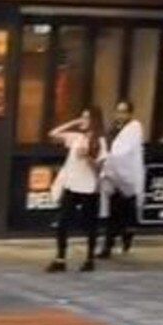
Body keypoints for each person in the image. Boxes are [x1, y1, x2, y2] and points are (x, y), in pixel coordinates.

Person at [46, 107, 107, 273]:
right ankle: (60, 258)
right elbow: (53, 133)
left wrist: (87, 156)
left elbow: (99, 169)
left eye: (87, 118)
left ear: (95, 120)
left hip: (89, 188)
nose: (83, 120)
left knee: (90, 225)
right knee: (62, 222)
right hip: (72, 186)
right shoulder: (76, 137)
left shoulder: (100, 141)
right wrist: (74, 122)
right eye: (82, 117)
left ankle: (89, 259)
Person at [98, 100, 145, 258]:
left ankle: (127, 236)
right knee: (113, 214)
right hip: (114, 177)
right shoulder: (112, 129)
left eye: (124, 111)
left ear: (130, 114)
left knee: (126, 214)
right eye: (118, 111)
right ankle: (108, 247)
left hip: (128, 177)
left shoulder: (134, 128)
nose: (120, 115)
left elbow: (125, 152)